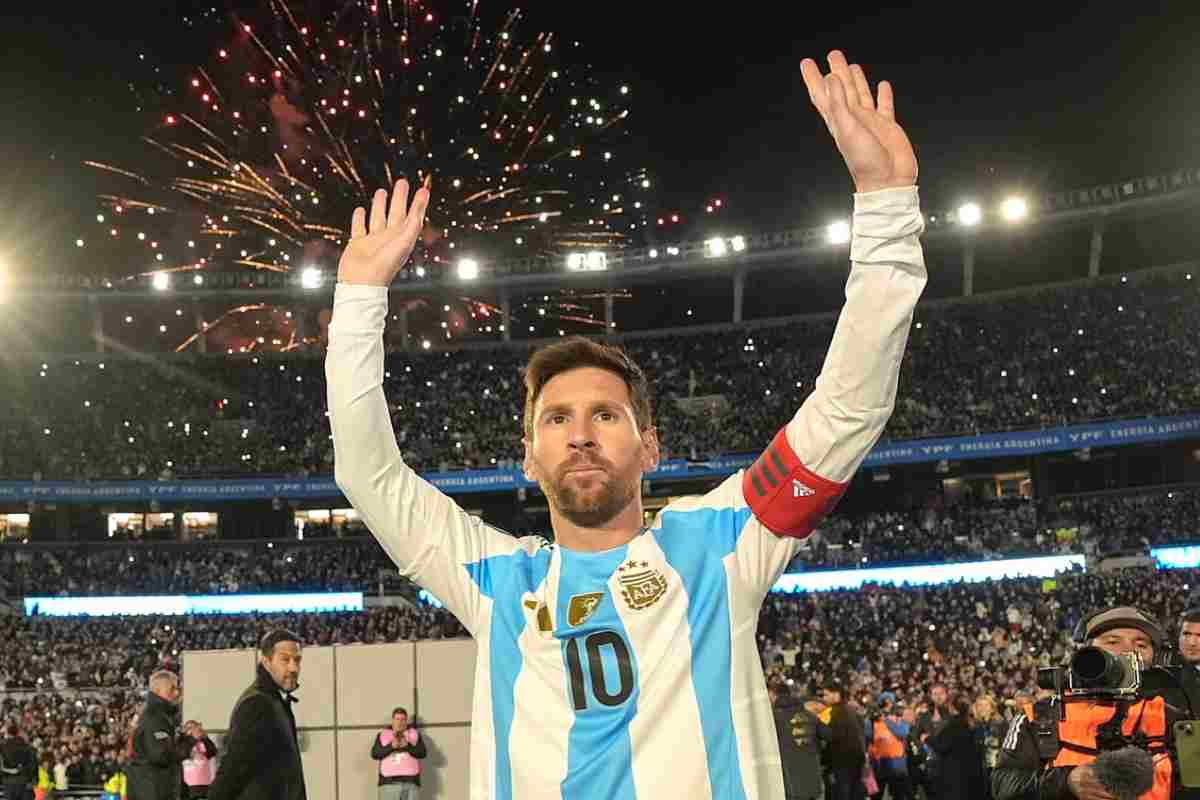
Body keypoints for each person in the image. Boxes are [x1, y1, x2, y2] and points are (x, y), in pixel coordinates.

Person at [326, 48, 925, 799]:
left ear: (650, 447)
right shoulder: (490, 579)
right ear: (527, 458)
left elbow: (848, 409)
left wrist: (886, 202)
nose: (579, 433)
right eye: (557, 419)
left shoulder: (725, 540)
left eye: (605, 415)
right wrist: (357, 302)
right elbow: (367, 473)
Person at [992, 606, 1173, 800]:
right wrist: (1066, 781)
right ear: (1086, 652)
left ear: (1158, 659)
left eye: (1141, 645)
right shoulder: (1039, 716)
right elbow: (1003, 786)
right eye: (1112, 641)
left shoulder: (1174, 716)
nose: (1127, 651)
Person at [208, 629, 306, 800]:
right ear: (266, 662)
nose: (293, 667)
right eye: (285, 660)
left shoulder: (276, 701)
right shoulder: (257, 704)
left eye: (297, 660)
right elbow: (233, 767)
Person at [126, 670, 182, 800]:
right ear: (157, 690)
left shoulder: (159, 715)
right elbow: (160, 755)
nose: (176, 693)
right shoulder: (155, 716)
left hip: (151, 789)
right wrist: (187, 743)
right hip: (153, 790)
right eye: (172, 688)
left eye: (177, 688)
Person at [770, 685, 828, 800]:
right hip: (813, 780)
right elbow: (828, 734)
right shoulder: (810, 715)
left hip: (790, 782)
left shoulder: (774, 718)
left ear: (775, 695)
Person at [820, 682, 868, 800]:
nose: (823, 698)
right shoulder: (853, 712)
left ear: (836, 695)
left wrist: (824, 760)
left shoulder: (829, 713)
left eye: (826, 695)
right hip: (857, 761)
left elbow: (824, 736)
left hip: (838, 763)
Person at [370, 707, 427, 799]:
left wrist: (407, 746)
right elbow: (375, 754)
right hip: (389, 783)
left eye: (403, 719)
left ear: (406, 721)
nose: (400, 722)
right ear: (392, 720)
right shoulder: (382, 735)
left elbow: (422, 753)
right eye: (397, 719)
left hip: (411, 783)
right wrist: (391, 747)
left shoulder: (415, 734)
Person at [178, 721, 218, 799]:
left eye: (195, 727)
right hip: (189, 783)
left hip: (205, 782)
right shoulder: (182, 741)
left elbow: (213, 752)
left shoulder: (202, 740)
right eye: (190, 728)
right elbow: (182, 753)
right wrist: (193, 738)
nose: (193, 730)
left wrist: (205, 738)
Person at [0, 723, 38, 800]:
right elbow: (33, 765)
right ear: (18, 733)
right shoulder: (28, 747)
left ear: (7, 733)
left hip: (9, 783)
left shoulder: (2, 746)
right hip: (25, 782)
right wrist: (34, 780)